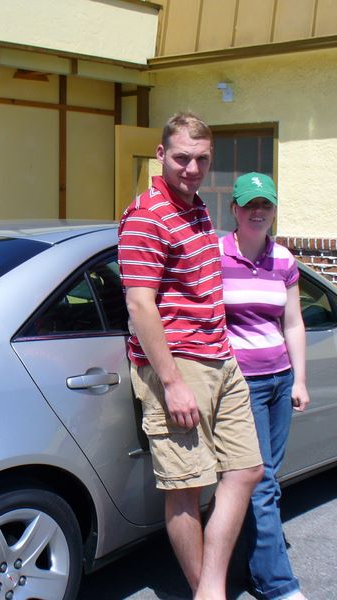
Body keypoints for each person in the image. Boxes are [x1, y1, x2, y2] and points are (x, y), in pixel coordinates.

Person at [118, 112, 264, 600]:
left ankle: (210, 588)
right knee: (185, 490)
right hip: (179, 367)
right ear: (161, 155)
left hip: (220, 361)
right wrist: (173, 381)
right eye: (182, 157)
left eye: (202, 159)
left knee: (246, 471)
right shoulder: (146, 215)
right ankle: (210, 593)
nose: (192, 167)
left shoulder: (198, 208)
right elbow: (140, 303)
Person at [219, 172, 310, 600]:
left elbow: (292, 321)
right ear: (234, 209)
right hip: (242, 385)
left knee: (265, 479)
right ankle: (278, 584)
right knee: (261, 481)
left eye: (266, 205)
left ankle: (257, 568)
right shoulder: (214, 255)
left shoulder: (284, 261)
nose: (259, 212)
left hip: (278, 380)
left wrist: (300, 379)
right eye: (250, 204)